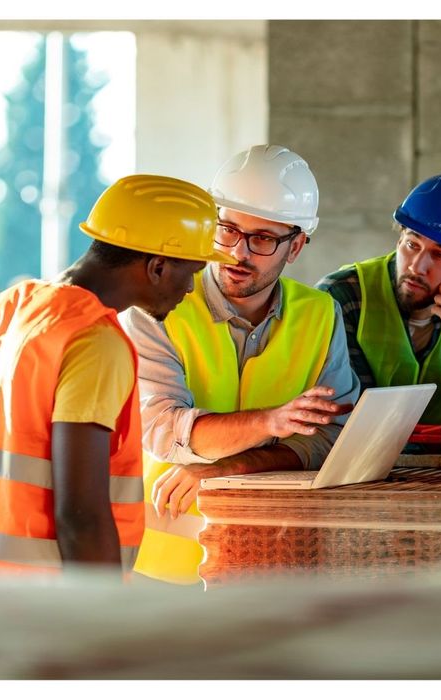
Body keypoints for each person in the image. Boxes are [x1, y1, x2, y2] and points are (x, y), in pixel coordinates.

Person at [0, 174, 234, 581]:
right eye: (192, 271)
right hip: (41, 607)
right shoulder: (94, 341)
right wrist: (99, 623)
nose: (190, 289)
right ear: (158, 266)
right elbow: (82, 517)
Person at [122, 145, 360, 584]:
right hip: (160, 560)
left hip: (273, 561)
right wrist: (272, 423)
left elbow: (332, 440)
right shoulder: (156, 307)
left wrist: (231, 467)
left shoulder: (320, 314)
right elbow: (161, 430)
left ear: (297, 245)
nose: (238, 252)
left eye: (263, 238)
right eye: (227, 229)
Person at [317, 171, 441, 425]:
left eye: (439, 255)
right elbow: (345, 416)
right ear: (399, 238)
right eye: (412, 245)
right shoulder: (342, 295)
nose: (416, 267)